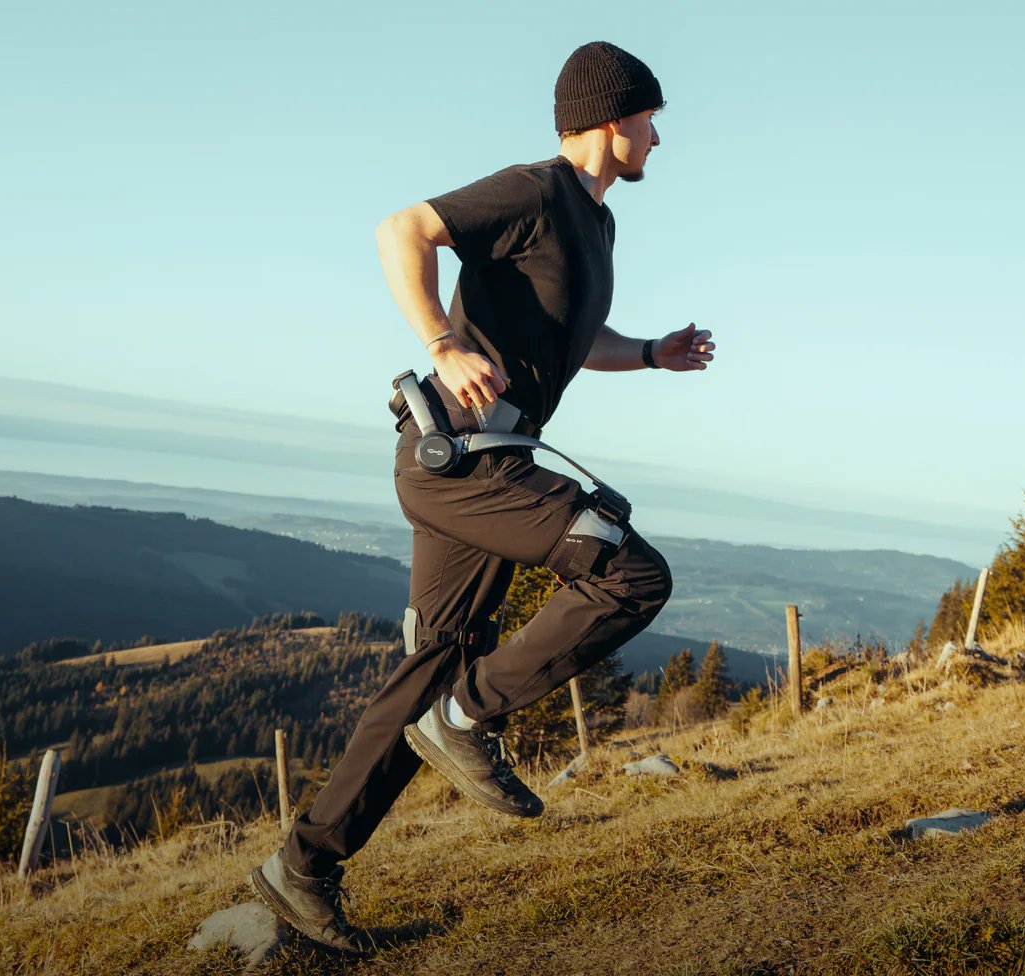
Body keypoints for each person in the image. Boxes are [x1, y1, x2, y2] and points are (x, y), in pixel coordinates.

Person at [249, 40, 716, 954]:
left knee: (426, 668)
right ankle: (464, 718)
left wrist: (652, 353)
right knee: (632, 575)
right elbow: (401, 229)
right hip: (461, 460)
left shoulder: (597, 224)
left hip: (474, 465)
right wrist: (440, 342)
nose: (660, 139)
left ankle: (302, 869)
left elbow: (574, 340)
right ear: (612, 116)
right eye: (651, 120)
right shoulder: (535, 190)